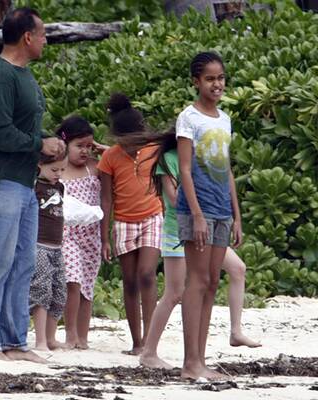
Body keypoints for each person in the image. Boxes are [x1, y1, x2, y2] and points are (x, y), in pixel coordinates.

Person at [0, 7, 65, 362]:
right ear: (27, 37)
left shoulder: (24, 75)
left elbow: (19, 130)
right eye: (42, 34)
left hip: (24, 183)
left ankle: (13, 340)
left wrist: (46, 143)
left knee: (24, 261)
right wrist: (40, 144)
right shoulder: (0, 77)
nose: (45, 40)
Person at [138, 129, 260, 369]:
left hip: (207, 227)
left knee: (237, 269)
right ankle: (149, 352)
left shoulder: (203, 157)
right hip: (179, 229)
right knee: (174, 294)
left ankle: (235, 331)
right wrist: (199, 206)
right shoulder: (170, 159)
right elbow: (173, 199)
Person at [176, 51, 241, 380]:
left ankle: (201, 360)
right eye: (210, 78)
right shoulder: (188, 118)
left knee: (213, 282)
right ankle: (190, 363)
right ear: (196, 81)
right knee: (197, 281)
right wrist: (198, 215)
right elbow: (185, 170)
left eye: (221, 78)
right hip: (197, 210)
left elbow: (226, 169)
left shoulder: (224, 119)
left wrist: (236, 214)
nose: (217, 84)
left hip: (222, 210)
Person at [98, 93, 163, 356]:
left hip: (152, 217)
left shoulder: (154, 149)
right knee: (130, 281)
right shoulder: (110, 158)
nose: (131, 146)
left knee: (147, 274)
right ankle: (136, 342)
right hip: (123, 222)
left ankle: (150, 339)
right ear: (117, 138)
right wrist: (104, 239)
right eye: (125, 143)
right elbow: (106, 200)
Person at [58, 116, 102, 349]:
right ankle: (70, 334)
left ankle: (83, 338)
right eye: (79, 146)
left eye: (89, 146)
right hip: (67, 234)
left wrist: (105, 150)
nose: (84, 151)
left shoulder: (95, 167)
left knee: (87, 286)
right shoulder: (59, 169)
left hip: (91, 236)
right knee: (72, 281)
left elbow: (127, 158)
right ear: (65, 144)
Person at [29, 152, 68, 351]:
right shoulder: (34, 186)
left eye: (62, 169)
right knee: (41, 290)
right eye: (54, 170)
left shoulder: (59, 186)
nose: (59, 174)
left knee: (60, 291)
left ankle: (51, 338)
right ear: (40, 164)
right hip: (39, 245)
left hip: (57, 246)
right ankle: (40, 340)